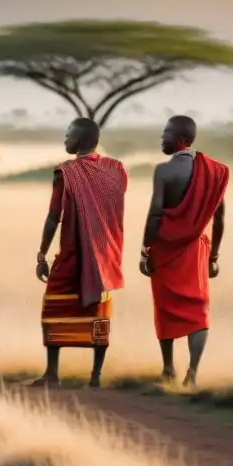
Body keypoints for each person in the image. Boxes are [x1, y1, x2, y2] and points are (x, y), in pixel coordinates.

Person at [35, 117, 127, 388]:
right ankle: (95, 377)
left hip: (73, 253)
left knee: (53, 306)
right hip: (103, 255)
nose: (65, 139)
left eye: (69, 134)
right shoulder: (116, 169)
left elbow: (54, 216)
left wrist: (42, 254)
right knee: (99, 311)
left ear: (82, 140)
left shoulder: (65, 172)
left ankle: (53, 374)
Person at [140, 115, 228, 387]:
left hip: (165, 250)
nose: (161, 138)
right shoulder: (215, 171)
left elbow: (155, 214)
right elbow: (220, 217)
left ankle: (168, 369)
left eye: (165, 133)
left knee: (165, 308)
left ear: (179, 139)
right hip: (196, 252)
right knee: (197, 310)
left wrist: (145, 250)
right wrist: (213, 256)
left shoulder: (163, 171)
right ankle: (192, 373)